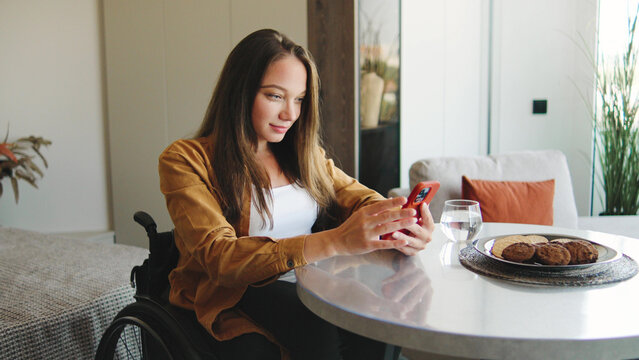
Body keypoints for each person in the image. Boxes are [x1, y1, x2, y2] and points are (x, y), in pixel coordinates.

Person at [158, 28, 435, 359]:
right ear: (240, 92)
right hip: (235, 292)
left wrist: (398, 221)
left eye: (299, 99)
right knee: (321, 329)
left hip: (311, 280)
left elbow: (359, 197)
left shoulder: (304, 155)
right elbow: (221, 257)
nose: (290, 114)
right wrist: (336, 240)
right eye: (275, 96)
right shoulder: (186, 159)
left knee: (378, 321)